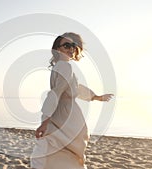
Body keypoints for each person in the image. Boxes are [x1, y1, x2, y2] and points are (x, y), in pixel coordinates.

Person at [30, 32, 114, 169]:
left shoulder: (63, 66)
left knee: (49, 151)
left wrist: (96, 97)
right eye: (66, 45)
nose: (71, 49)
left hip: (65, 117)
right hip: (65, 117)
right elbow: (56, 93)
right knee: (54, 151)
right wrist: (45, 121)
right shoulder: (64, 66)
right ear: (57, 48)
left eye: (73, 46)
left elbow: (74, 89)